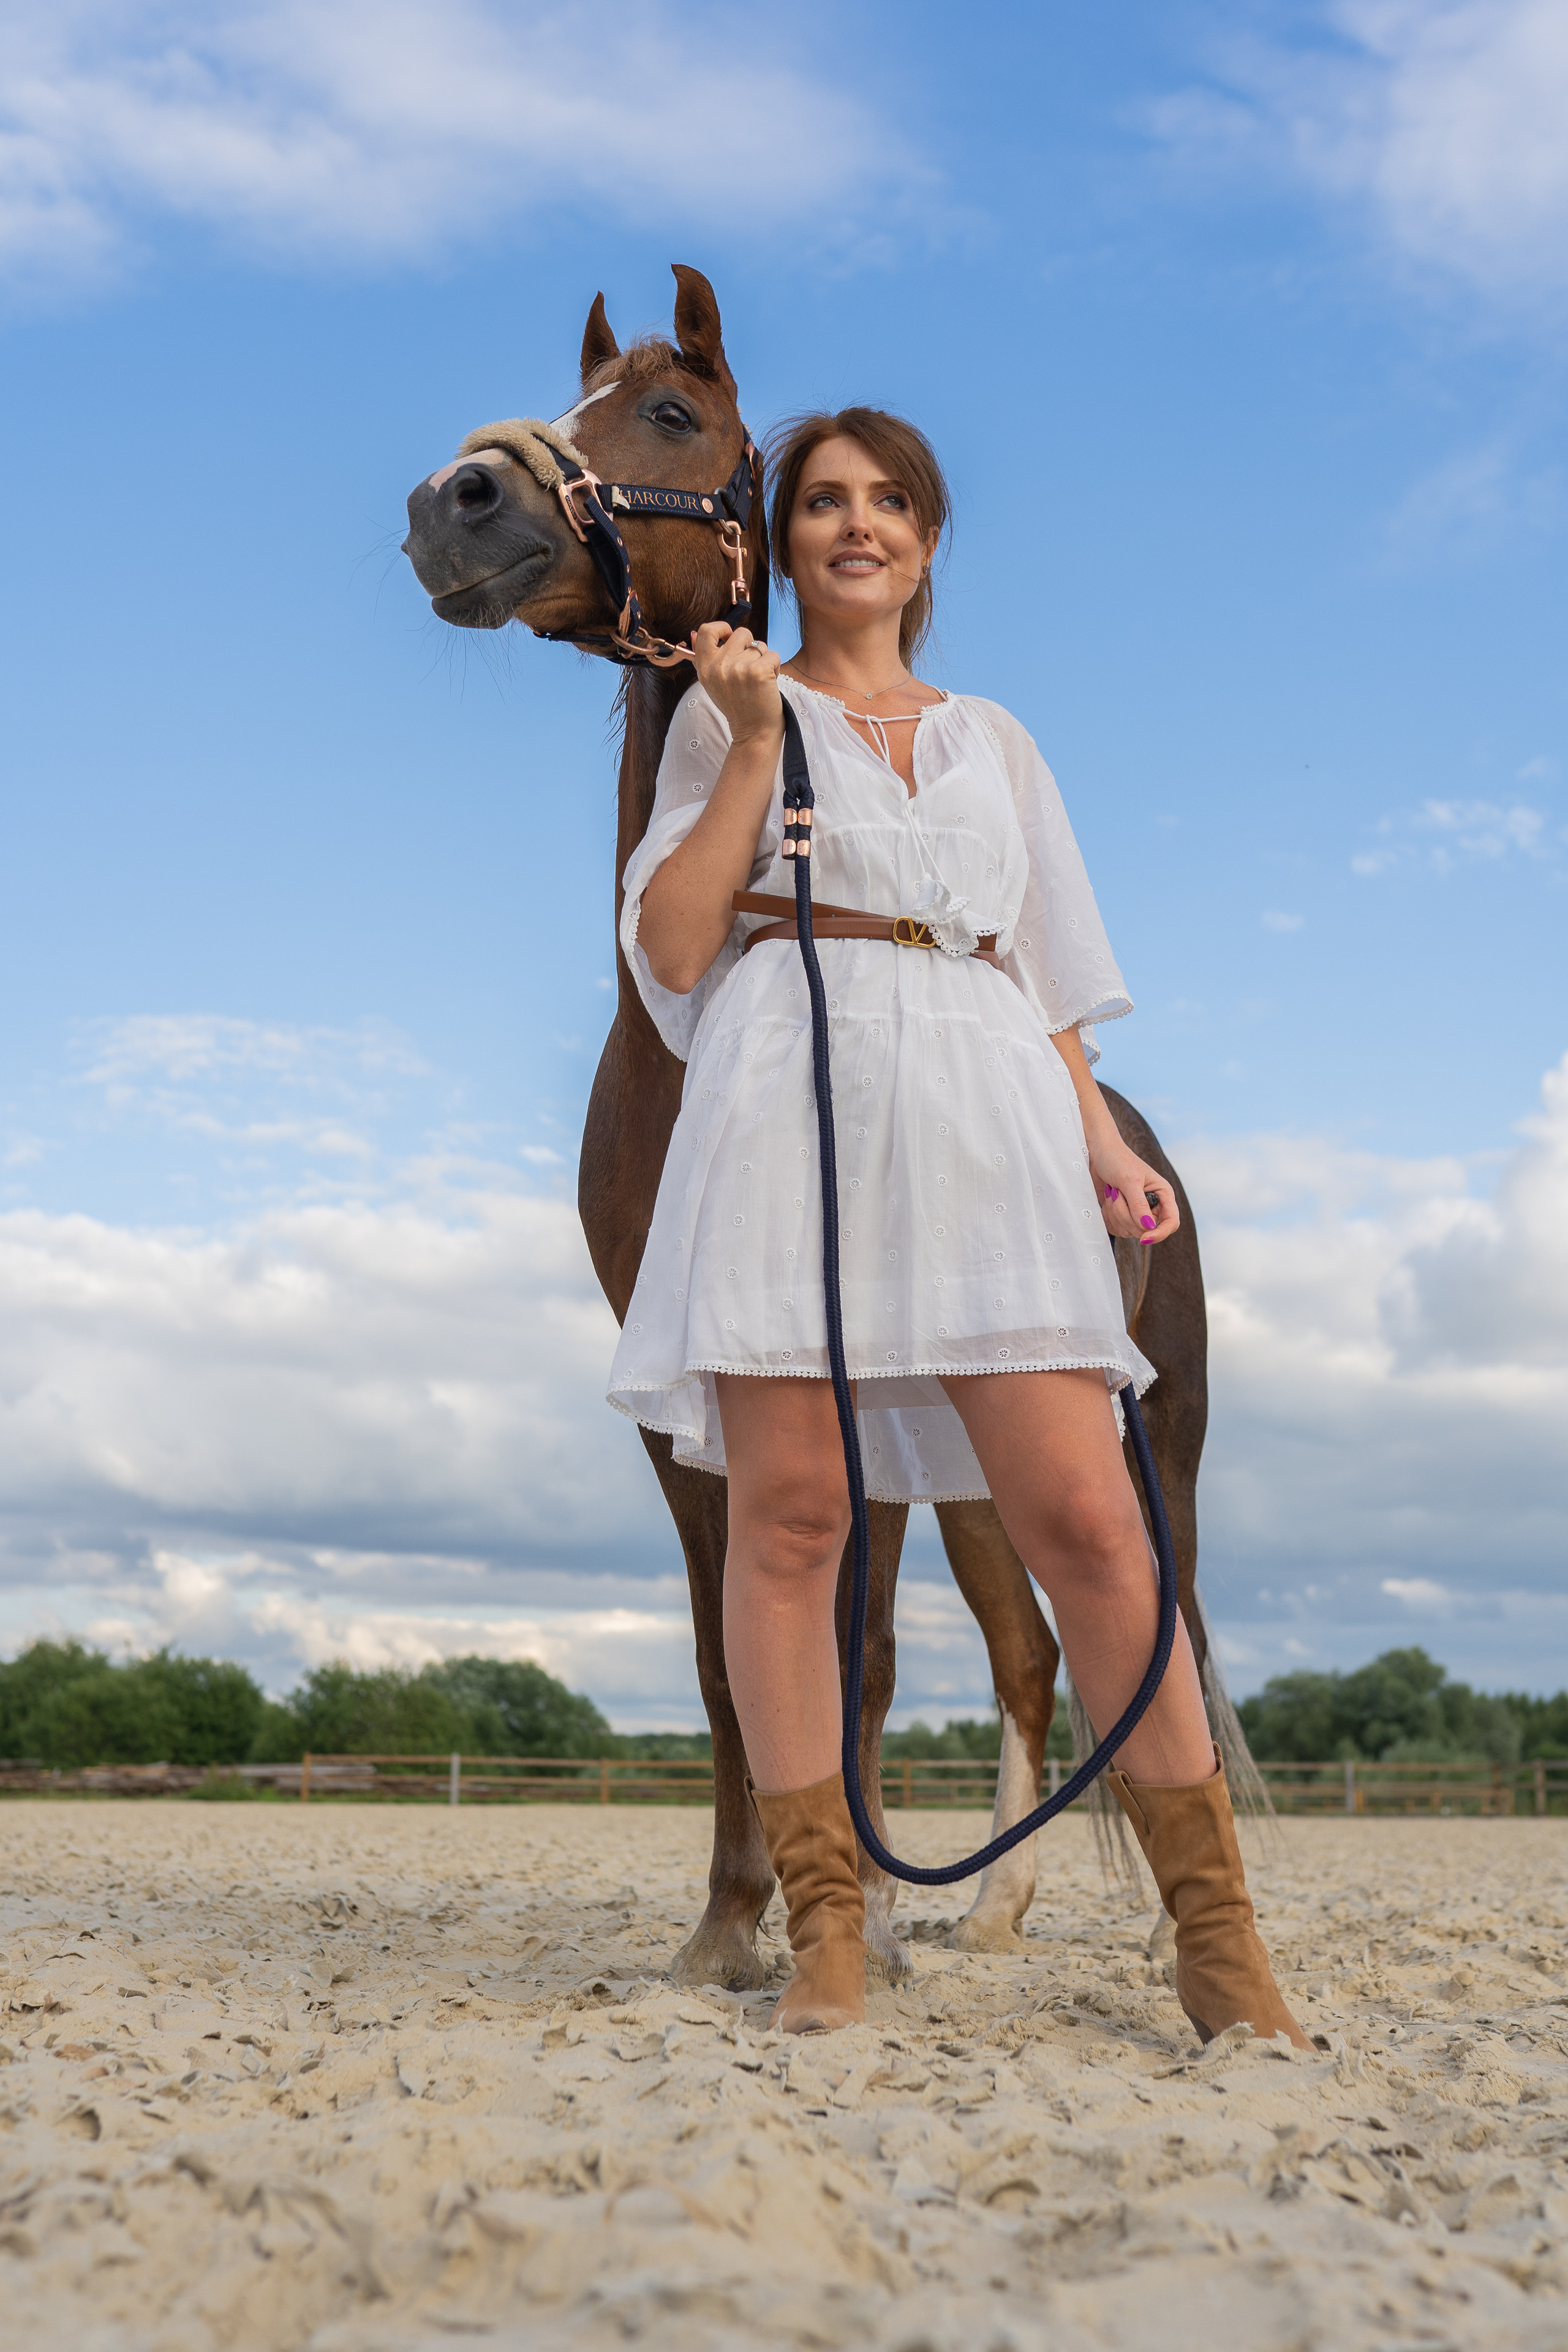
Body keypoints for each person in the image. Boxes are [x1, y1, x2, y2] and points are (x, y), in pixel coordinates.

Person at [608, 407, 1306, 2050]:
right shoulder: (730, 713)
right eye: (824, 502)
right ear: (783, 542)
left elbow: (1042, 968)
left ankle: (1218, 1940)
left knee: (1090, 1516)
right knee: (792, 1520)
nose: (857, 524)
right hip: (792, 1090)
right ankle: (828, 1934)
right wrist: (754, 746)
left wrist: (1098, 1139)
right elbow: (680, 947)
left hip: (988, 1100)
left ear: (927, 540)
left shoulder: (996, 739)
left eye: (890, 501)